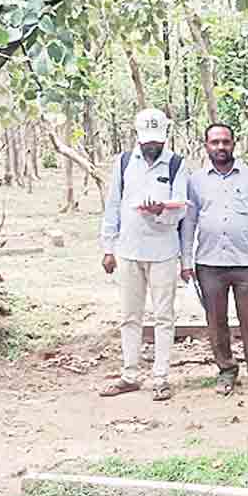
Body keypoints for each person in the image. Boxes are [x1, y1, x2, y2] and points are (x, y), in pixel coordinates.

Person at [180, 124, 248, 395]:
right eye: (215, 142)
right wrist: (186, 261)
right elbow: (189, 222)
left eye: (225, 141)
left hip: (245, 262)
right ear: (206, 146)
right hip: (209, 262)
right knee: (216, 320)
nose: (221, 147)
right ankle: (226, 370)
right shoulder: (195, 180)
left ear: (233, 143)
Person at [99, 108, 190, 402]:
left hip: (163, 251)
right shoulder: (124, 162)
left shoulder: (176, 164)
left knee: (164, 316)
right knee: (130, 315)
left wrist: (161, 211)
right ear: (137, 137)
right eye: (147, 141)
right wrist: (107, 248)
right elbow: (113, 205)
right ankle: (129, 374)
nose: (152, 146)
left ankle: (161, 376)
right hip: (128, 249)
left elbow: (182, 210)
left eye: (157, 141)